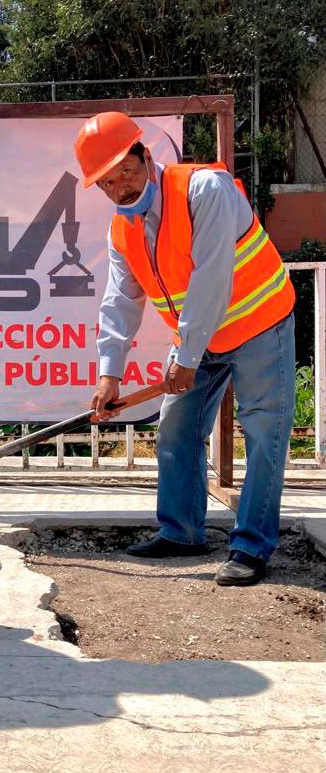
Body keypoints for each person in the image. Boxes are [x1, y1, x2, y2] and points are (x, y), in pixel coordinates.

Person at [76, 111, 295, 587]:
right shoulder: (122, 228)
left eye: (127, 173)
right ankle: (182, 532)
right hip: (199, 337)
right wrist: (109, 372)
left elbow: (211, 277)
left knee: (263, 434)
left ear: (147, 156)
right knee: (175, 426)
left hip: (260, 324)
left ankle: (251, 547)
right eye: (108, 183)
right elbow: (121, 299)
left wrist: (187, 357)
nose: (121, 189)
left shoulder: (204, 191)